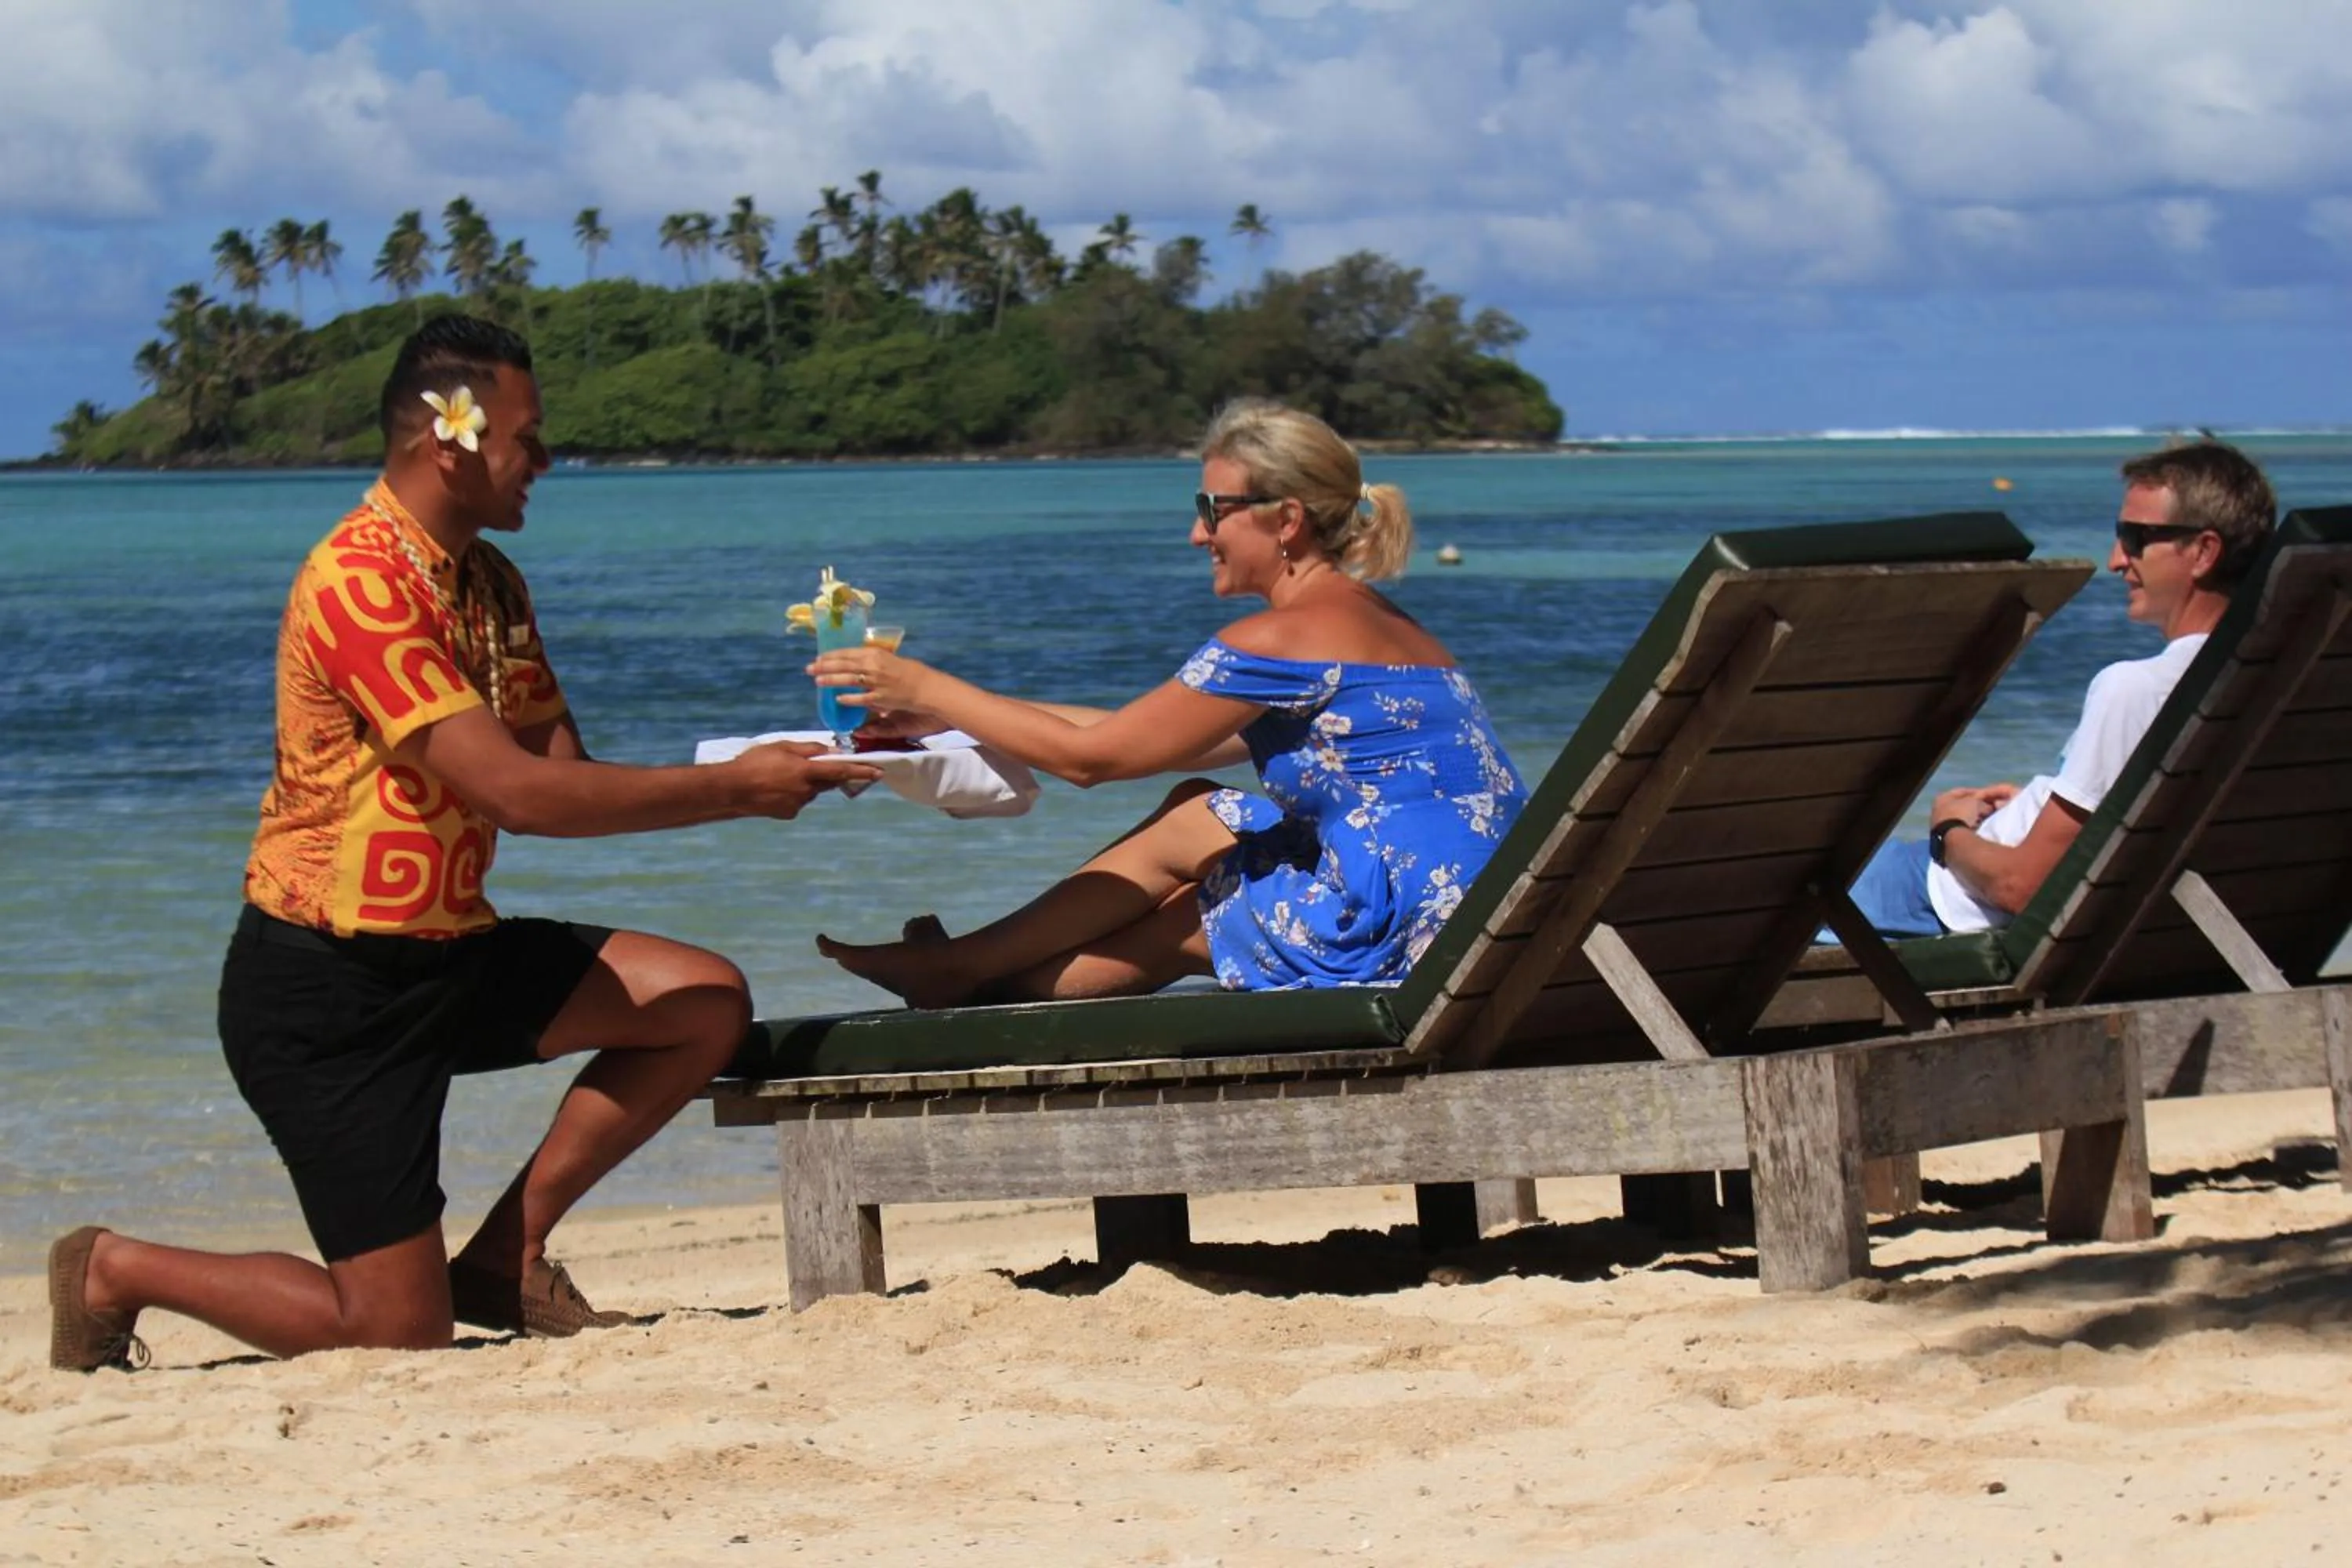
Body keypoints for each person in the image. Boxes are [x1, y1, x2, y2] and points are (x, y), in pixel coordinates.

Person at [49, 316, 880, 1371]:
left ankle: (506, 1257)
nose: (544, 462)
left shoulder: (488, 583)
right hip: (327, 995)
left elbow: (563, 772)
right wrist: (736, 791)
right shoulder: (359, 580)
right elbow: (518, 797)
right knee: (392, 1334)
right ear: (452, 441)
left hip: (448, 954)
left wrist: (781, 757)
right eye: (528, 439)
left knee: (701, 1002)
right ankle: (112, 1268)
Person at [808, 398, 1530, 1008]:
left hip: (1402, 930)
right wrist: (946, 716)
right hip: (1487, 918)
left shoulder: (1282, 638)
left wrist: (924, 685)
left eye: (1213, 509)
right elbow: (1138, 735)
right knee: (1196, 841)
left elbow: (1095, 761)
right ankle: (962, 975)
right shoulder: (1387, 627)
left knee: (1195, 844)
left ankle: (960, 974)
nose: (1198, 533)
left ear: (1285, 520)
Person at [1840, 440, 2276, 940]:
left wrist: (1948, 831)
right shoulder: (2259, 679)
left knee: (1754, 890)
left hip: (1940, 895)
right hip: (2142, 916)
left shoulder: (2133, 688)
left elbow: (2018, 888)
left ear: (2203, 551)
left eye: (2136, 538)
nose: (2116, 560)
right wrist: (2045, 801)